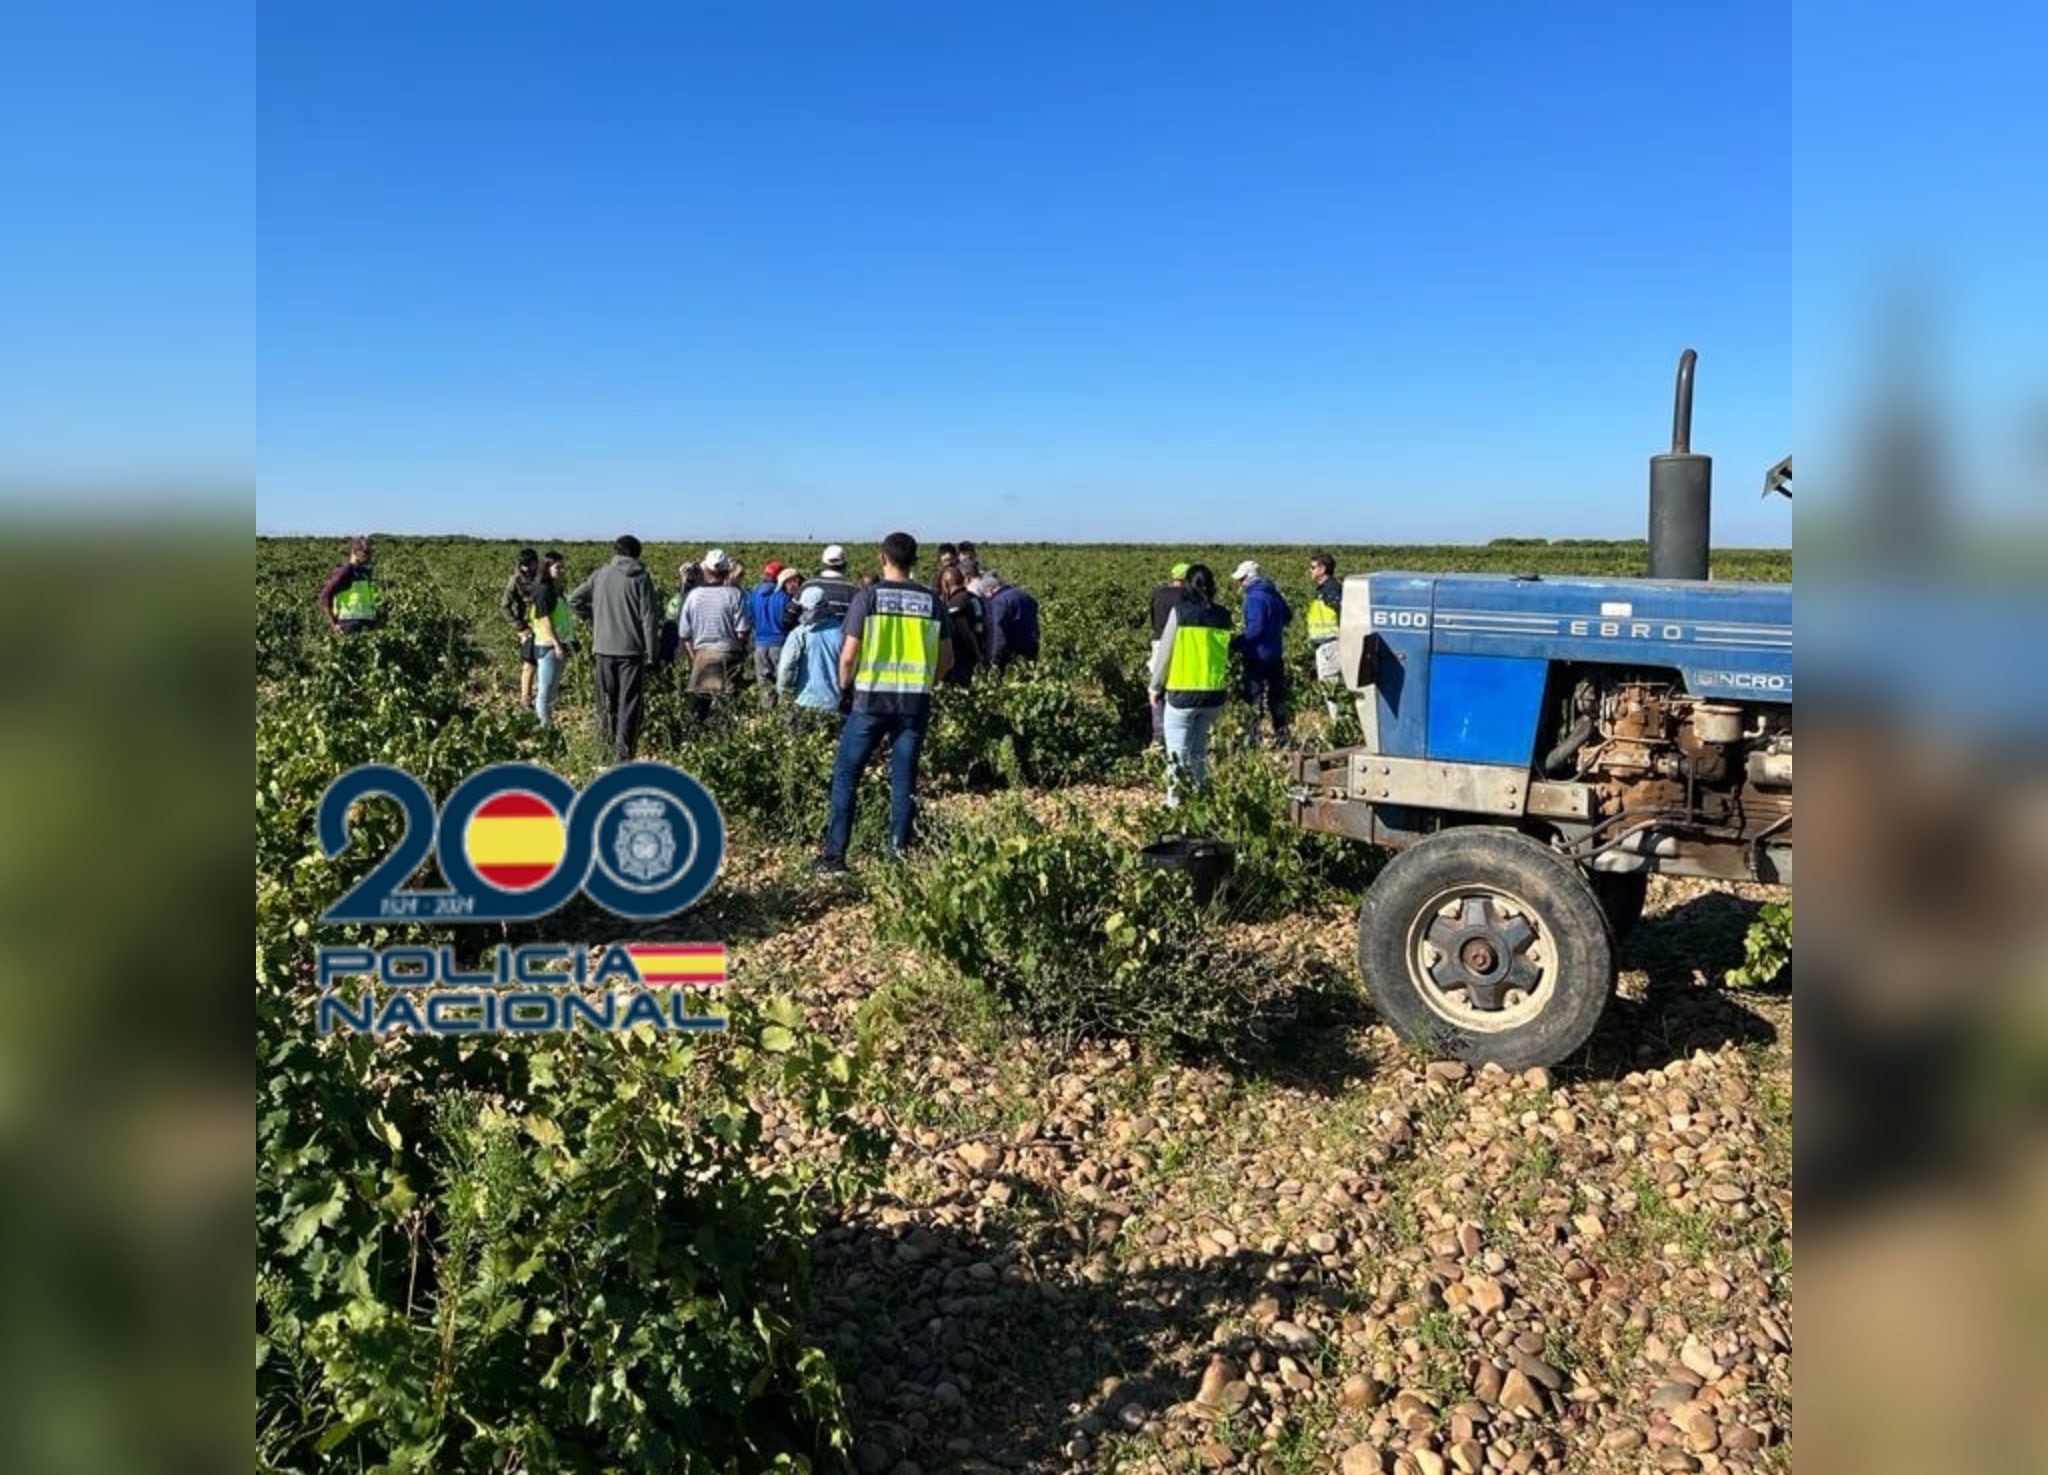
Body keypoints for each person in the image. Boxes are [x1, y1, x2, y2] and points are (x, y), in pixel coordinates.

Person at [812, 532, 953, 873]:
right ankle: (897, 858)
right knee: (904, 780)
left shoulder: (869, 597)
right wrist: (925, 683)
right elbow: (947, 659)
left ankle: (835, 857)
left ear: (882, 558)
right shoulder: (932, 601)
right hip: (914, 705)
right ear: (916, 560)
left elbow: (848, 656)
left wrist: (845, 689)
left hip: (870, 702)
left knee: (847, 775)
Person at [569, 534, 662, 761]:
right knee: (628, 704)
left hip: (602, 648)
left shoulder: (599, 575)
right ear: (636, 554)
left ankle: (603, 749)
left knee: (605, 702)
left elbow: (574, 600)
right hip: (631, 651)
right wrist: (653, 653)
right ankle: (623, 755)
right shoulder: (640, 578)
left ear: (616, 551)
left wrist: (596, 617)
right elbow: (648, 617)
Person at [1149, 563, 1232, 804]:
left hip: (1183, 695)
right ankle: (1202, 804)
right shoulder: (1223, 615)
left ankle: (1175, 808)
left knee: (1177, 757)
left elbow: (1165, 652)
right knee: (1198, 754)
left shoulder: (1181, 612)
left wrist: (1155, 686)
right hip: (1213, 695)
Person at [679, 549, 751, 722]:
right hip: (728, 653)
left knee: (697, 709)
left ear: (705, 570)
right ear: (727, 571)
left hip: (703, 655)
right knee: (728, 708)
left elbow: (685, 634)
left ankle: (692, 742)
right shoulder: (735, 595)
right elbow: (742, 631)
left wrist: (694, 655)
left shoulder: (693, 596)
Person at [1230, 559, 1293, 746]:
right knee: (1277, 696)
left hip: (1256, 655)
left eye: (1241, 580)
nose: (1239, 584)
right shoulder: (1273, 593)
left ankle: (1252, 739)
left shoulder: (1255, 597)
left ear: (1249, 578)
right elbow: (1288, 616)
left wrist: (1237, 643)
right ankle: (1282, 735)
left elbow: (1256, 628)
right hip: (1275, 652)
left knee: (1253, 697)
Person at [776, 581, 849, 722]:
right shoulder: (842, 632)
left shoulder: (799, 634)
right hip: (835, 703)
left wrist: (784, 693)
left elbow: (786, 667)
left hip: (805, 701)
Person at [528, 551, 579, 727]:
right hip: (548, 646)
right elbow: (544, 620)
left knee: (551, 690)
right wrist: (557, 645)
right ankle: (545, 728)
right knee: (545, 691)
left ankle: (546, 724)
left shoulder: (556, 591)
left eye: (562, 566)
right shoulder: (544, 591)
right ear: (547, 568)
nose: (562, 570)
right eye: (558, 567)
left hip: (557, 645)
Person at [1147, 561, 1189, 743]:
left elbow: (1152, 618)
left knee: (1156, 689)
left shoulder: (1158, 593)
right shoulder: (1190, 595)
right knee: (1175, 686)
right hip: (1180, 644)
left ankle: (1158, 736)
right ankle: (1176, 734)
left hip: (1158, 642)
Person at [745, 561, 796, 708]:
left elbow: (750, 617)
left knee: (765, 686)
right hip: (780, 643)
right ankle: (785, 722)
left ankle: (767, 719)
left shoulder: (754, 594)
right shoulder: (783, 596)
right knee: (784, 685)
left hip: (760, 644)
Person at [1306, 550, 1346, 721]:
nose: (1310, 570)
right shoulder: (1324, 589)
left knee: (1331, 687)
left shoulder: (1331, 590)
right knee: (1333, 686)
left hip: (1330, 645)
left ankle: (1338, 724)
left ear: (1323, 569)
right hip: (1326, 645)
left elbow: (1343, 612)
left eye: (1313, 567)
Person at [500, 547, 542, 706]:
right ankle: (526, 699)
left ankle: (541, 696)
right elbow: (505, 606)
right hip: (528, 626)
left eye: (530, 564)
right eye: (524, 565)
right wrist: (520, 627)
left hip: (545, 623)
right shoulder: (516, 580)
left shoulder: (541, 575)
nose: (528, 569)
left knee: (544, 660)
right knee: (529, 662)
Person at [787, 543, 858, 635]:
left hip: (809, 643)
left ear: (823, 564)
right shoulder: (854, 590)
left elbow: (790, 615)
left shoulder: (807, 585)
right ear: (845, 565)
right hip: (841, 644)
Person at [318, 536, 381, 633]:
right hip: (348, 625)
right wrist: (333, 624)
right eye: (366, 553)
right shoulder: (346, 571)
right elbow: (324, 597)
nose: (369, 556)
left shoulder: (365, 571)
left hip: (367, 624)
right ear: (355, 552)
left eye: (370, 553)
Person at [935, 563, 984, 684]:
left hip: (962, 660)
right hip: (977, 655)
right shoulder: (974, 598)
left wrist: (976, 653)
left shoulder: (956, 604)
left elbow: (965, 632)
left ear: (946, 584)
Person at [981, 570, 1040, 669]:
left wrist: (995, 658)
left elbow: (999, 632)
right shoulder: (1024, 594)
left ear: (989, 590)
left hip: (1012, 652)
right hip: (1031, 645)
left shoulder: (998, 602)